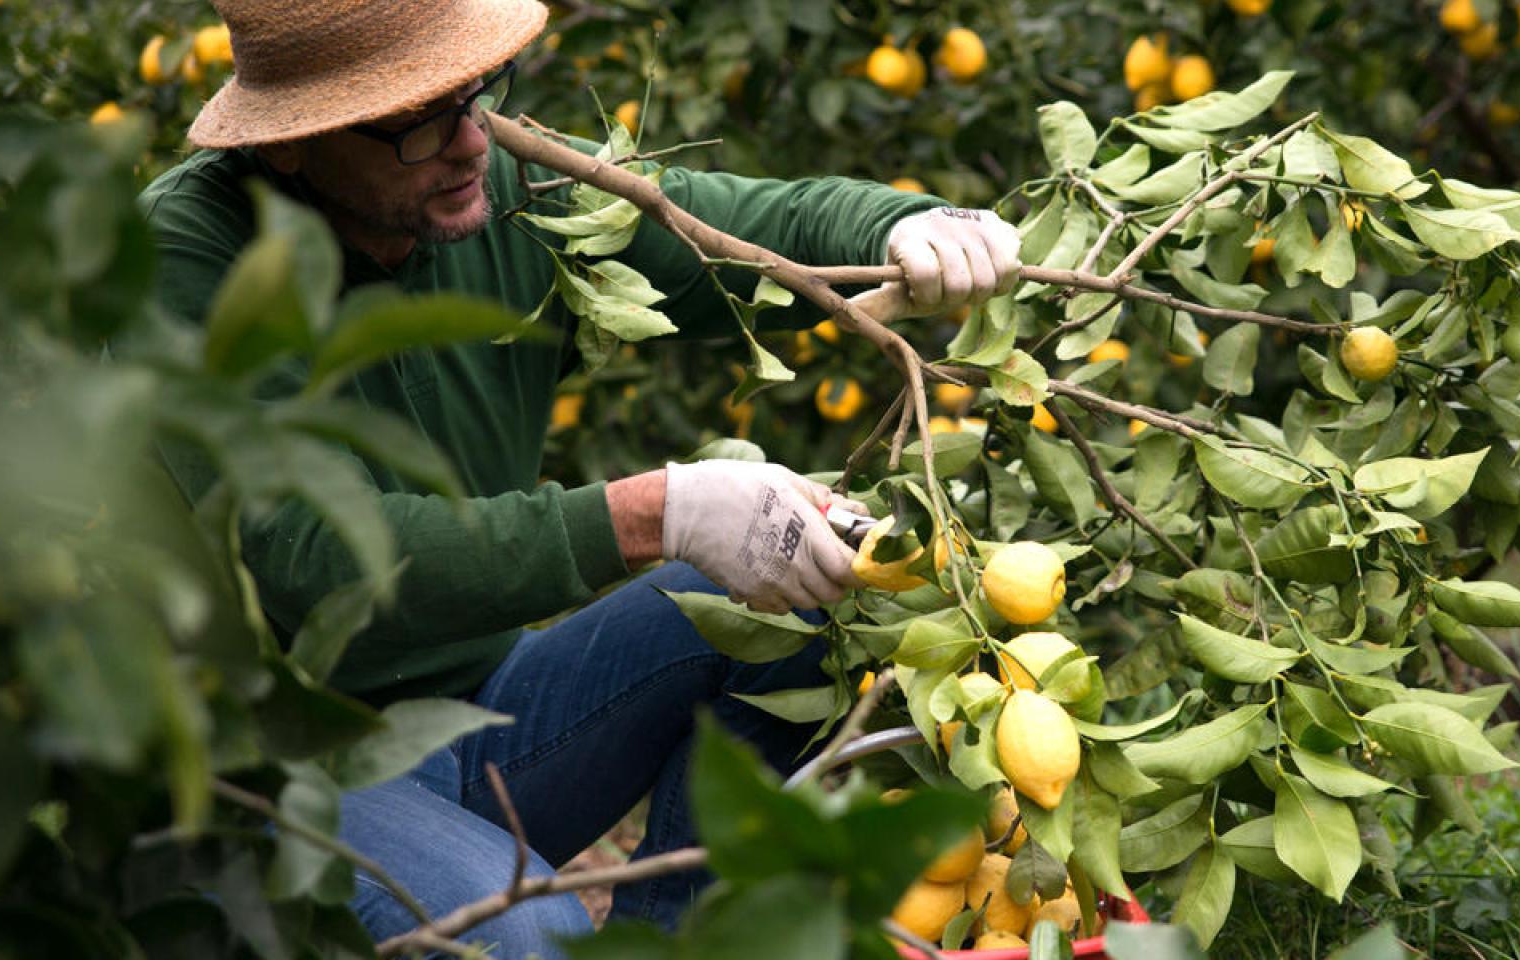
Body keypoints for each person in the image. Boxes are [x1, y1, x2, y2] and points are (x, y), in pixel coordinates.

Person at [137, 0, 1021, 954]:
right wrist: (656, 512)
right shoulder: (191, 259)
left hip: (477, 723)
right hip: (264, 774)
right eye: (417, 122)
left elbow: (728, 226)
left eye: (473, 97)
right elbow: (319, 558)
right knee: (531, 934)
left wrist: (903, 223)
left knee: (807, 599)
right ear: (291, 145)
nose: (471, 142)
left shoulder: (498, 186)